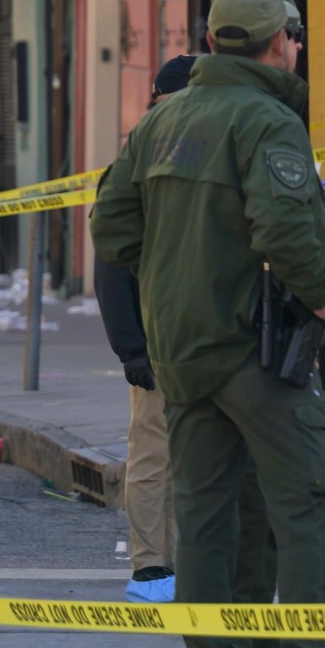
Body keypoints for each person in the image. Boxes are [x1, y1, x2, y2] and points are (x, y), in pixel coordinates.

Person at [91, 0, 325, 648]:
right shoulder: (265, 120)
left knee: (208, 516)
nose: (296, 51)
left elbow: (111, 226)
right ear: (280, 45)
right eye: (294, 39)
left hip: (180, 351)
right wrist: (322, 299)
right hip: (250, 346)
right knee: (307, 489)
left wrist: (179, 268)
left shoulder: (161, 122)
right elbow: (284, 229)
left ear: (212, 42)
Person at [100, 54, 197, 604]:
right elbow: (112, 265)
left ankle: (184, 562)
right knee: (156, 454)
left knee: (193, 455)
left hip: (201, 336)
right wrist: (131, 348)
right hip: (159, 339)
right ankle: (151, 567)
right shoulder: (137, 164)